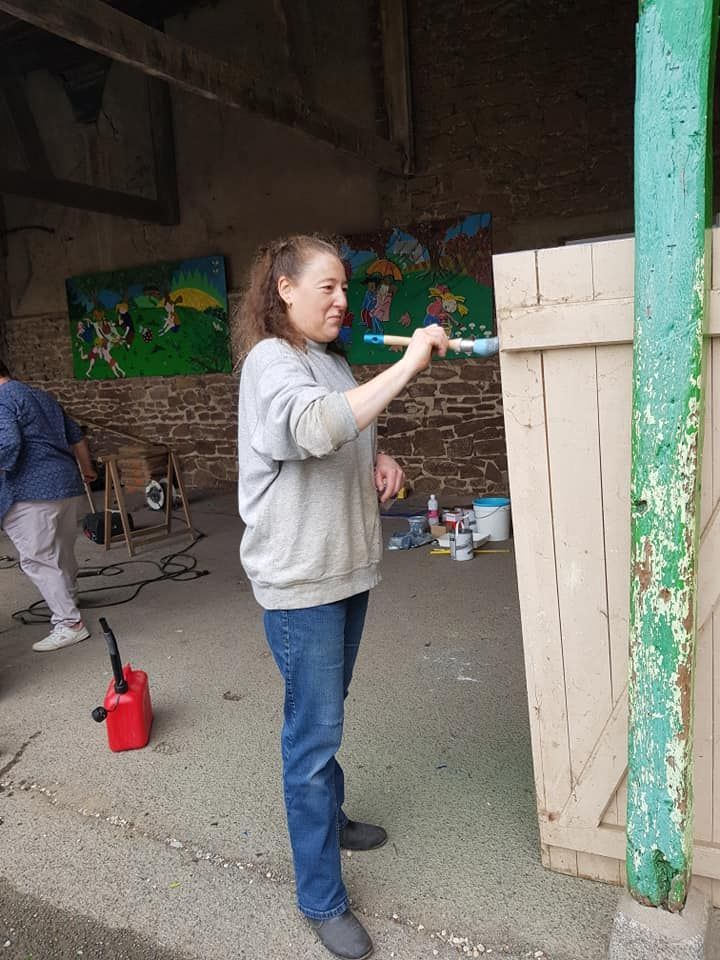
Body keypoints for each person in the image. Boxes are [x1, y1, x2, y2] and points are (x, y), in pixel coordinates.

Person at [236, 235, 448, 960]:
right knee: (312, 734)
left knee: (324, 715)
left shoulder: (327, 360)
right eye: (326, 286)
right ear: (284, 289)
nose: (341, 300)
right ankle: (320, 898)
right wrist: (411, 361)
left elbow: (343, 426)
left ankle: (331, 817)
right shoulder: (271, 360)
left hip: (345, 569)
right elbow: (312, 425)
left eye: (345, 288)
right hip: (302, 582)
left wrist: (380, 455)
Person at [0, 361, 97, 652]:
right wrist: (87, 469)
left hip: (31, 491)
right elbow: (76, 436)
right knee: (61, 548)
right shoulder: (42, 396)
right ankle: (69, 596)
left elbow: (7, 443)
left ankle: (70, 624)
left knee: (38, 559)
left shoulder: (2, 399)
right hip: (67, 485)